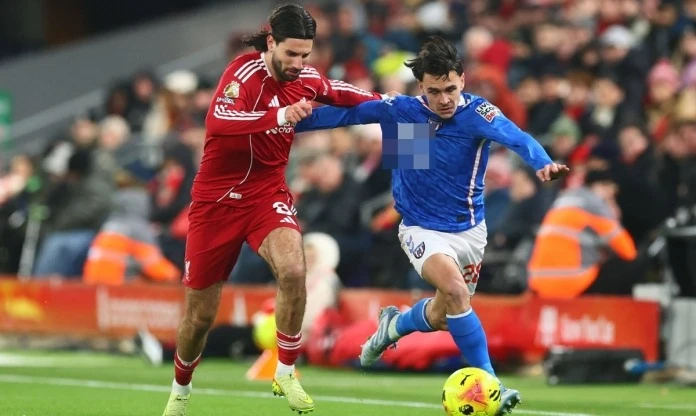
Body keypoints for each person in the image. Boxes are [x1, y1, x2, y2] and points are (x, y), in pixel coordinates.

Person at [295, 36, 569, 415]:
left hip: (469, 231)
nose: (444, 99)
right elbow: (345, 115)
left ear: (462, 80)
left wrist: (543, 162)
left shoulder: (478, 113)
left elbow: (518, 138)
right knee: (455, 290)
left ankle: (394, 326)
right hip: (420, 228)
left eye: (451, 89)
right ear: (420, 86)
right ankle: (492, 384)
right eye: (434, 91)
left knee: (443, 314)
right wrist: (284, 122)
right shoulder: (404, 110)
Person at [161, 4, 388, 415]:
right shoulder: (243, 72)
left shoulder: (307, 78)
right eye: (291, 53)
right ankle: (180, 391)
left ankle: (285, 371)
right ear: (271, 42)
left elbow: (347, 95)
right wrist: (280, 114)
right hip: (216, 202)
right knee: (199, 317)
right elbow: (219, 121)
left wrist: (394, 103)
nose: (299, 63)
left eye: (305, 54)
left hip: (266, 195)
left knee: (295, 270)